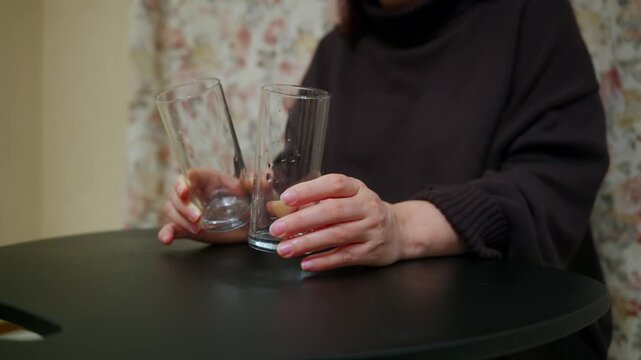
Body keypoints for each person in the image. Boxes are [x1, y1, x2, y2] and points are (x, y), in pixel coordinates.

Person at [158, 0, 611, 358]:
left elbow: (553, 181)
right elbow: (297, 182)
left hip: (509, 334)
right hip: (356, 333)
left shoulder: (530, 16)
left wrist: (401, 227)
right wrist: (248, 212)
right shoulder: (338, 50)